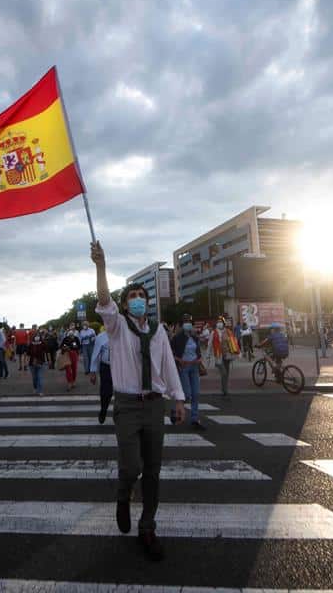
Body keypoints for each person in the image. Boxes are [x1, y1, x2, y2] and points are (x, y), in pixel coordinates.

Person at [91, 240, 185, 562]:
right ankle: (122, 493)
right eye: (132, 297)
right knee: (131, 467)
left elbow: (167, 365)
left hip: (154, 404)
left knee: (154, 471)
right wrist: (101, 267)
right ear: (125, 304)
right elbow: (104, 300)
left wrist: (179, 399)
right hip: (128, 405)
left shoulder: (158, 331)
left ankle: (148, 527)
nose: (138, 301)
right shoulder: (117, 327)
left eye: (141, 296)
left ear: (148, 302)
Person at [171, 314, 205, 430]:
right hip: (183, 367)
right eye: (185, 321)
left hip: (194, 366)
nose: (188, 323)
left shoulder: (194, 336)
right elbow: (171, 353)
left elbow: (198, 351)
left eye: (190, 322)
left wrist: (199, 358)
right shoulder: (177, 338)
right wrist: (179, 360)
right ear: (182, 324)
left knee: (196, 393)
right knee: (187, 393)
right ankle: (175, 410)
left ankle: (195, 419)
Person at [89, 326, 112, 424]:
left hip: (120, 367)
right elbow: (95, 355)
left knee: (121, 393)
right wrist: (93, 372)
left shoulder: (123, 334)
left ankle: (120, 416)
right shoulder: (101, 337)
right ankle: (103, 410)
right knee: (106, 392)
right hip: (106, 367)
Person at [211, 317, 237, 396]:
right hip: (219, 356)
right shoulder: (213, 333)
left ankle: (224, 389)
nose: (219, 323)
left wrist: (237, 353)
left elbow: (233, 342)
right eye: (218, 322)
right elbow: (209, 344)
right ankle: (224, 389)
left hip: (227, 355)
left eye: (221, 322)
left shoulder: (228, 332)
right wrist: (208, 356)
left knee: (227, 374)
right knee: (224, 373)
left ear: (223, 323)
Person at [60, 326, 81, 391]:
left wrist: (74, 347)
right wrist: (65, 347)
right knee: (68, 369)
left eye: (72, 334)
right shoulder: (65, 339)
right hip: (67, 355)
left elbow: (78, 346)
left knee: (74, 368)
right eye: (70, 334)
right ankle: (69, 382)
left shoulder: (76, 338)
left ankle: (73, 381)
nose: (71, 335)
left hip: (74, 354)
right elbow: (61, 346)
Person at [28, 331, 47, 395]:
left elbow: (46, 351)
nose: (37, 337)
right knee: (35, 378)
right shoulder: (31, 344)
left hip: (39, 363)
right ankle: (36, 388)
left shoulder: (42, 343)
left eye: (38, 336)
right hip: (33, 363)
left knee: (39, 377)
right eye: (36, 336)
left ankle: (39, 390)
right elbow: (28, 353)